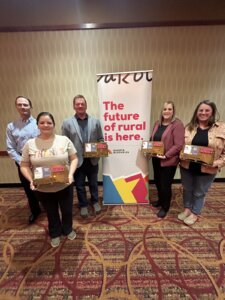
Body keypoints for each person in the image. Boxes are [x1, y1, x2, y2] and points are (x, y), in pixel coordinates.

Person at [20, 112, 78, 247]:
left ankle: (68, 229)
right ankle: (55, 232)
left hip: (64, 184)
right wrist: (30, 180)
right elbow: (24, 165)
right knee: (51, 212)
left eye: (49, 122)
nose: (45, 125)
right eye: (42, 122)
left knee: (67, 210)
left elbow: (74, 158)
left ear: (53, 125)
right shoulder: (30, 144)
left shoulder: (64, 140)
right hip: (43, 187)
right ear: (37, 125)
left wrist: (70, 174)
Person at [178, 100, 225, 225]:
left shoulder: (221, 128)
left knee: (199, 192)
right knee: (187, 189)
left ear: (212, 112)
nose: (203, 113)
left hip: (207, 168)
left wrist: (217, 163)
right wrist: (181, 155)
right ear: (196, 112)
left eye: (207, 110)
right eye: (201, 110)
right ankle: (187, 209)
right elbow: (181, 146)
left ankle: (195, 213)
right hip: (187, 165)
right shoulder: (189, 127)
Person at [62, 95, 104, 218]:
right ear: (74, 106)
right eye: (77, 104)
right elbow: (65, 143)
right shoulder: (67, 123)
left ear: (86, 105)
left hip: (92, 160)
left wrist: (100, 148)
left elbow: (101, 139)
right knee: (79, 185)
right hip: (77, 161)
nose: (80, 106)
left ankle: (95, 201)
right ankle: (83, 205)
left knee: (93, 183)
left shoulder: (95, 121)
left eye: (82, 103)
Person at [6, 96, 41, 224]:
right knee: (28, 187)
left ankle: (48, 207)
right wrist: (23, 162)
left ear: (30, 107)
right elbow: (10, 148)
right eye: (19, 105)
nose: (22, 107)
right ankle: (35, 210)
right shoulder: (11, 126)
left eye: (25, 105)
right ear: (16, 107)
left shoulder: (40, 123)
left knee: (44, 183)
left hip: (39, 159)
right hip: (22, 161)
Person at [149, 101, 185, 218]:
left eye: (169, 109)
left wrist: (166, 155)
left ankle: (165, 207)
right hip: (156, 158)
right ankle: (160, 200)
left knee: (165, 185)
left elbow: (179, 145)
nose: (167, 111)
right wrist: (148, 148)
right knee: (157, 182)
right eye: (165, 109)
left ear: (173, 111)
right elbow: (153, 139)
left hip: (168, 161)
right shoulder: (157, 123)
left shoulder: (177, 125)